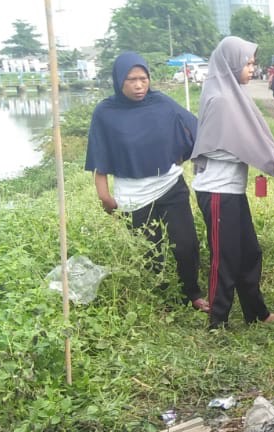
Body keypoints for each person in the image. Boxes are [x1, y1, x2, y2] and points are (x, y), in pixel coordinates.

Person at [85, 52, 206, 312]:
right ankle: (162, 299)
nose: (139, 85)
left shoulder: (161, 103)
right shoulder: (105, 113)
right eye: (131, 80)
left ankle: (192, 292)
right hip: (133, 193)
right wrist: (104, 196)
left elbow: (193, 128)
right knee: (151, 250)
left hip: (170, 184)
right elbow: (99, 155)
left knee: (186, 243)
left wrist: (185, 155)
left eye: (143, 78)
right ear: (119, 81)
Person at [190, 36, 274, 329]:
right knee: (225, 257)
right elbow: (241, 143)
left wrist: (268, 155)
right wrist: (269, 158)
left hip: (231, 190)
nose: (251, 68)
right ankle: (217, 321)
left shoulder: (231, 94)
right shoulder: (222, 101)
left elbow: (251, 139)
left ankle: (256, 314)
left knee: (249, 252)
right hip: (218, 191)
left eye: (252, 63)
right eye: (247, 63)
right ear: (231, 63)